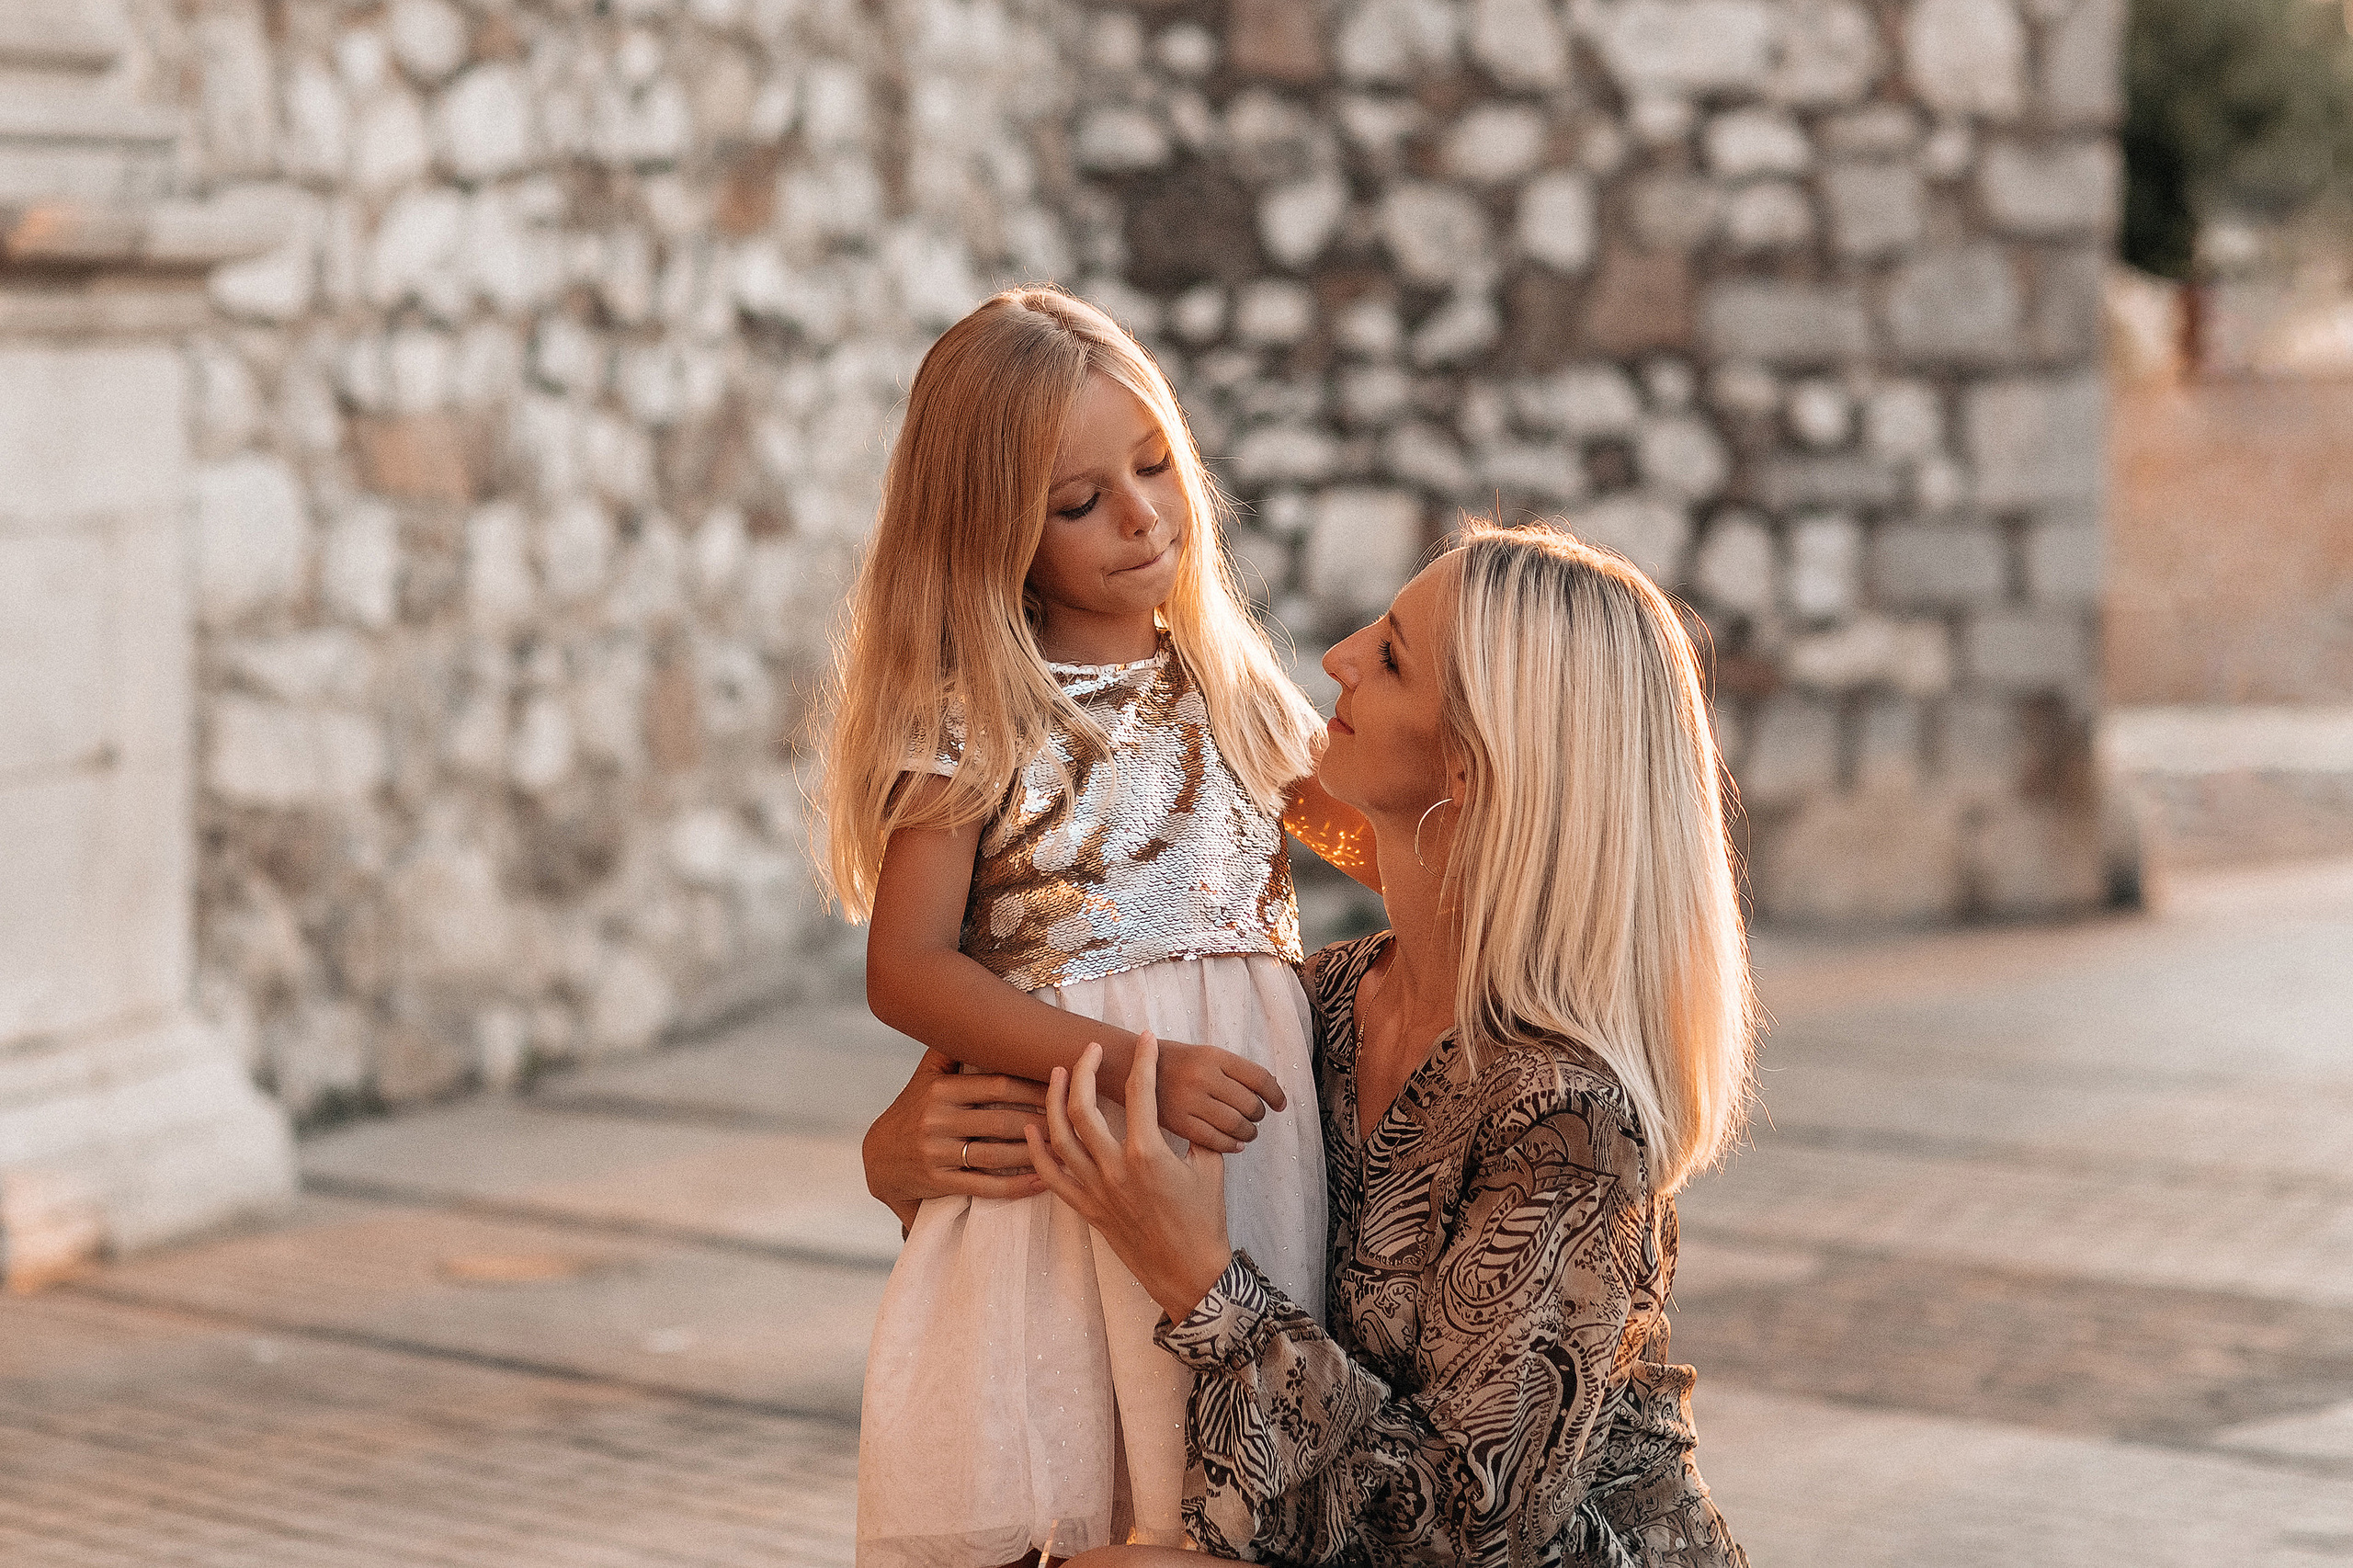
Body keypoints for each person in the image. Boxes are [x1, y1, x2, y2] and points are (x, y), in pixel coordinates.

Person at [868, 522, 1756, 1567]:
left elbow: (1464, 1530)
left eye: (1388, 654)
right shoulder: (1317, 1008)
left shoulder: (1568, 1114)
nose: (1335, 655)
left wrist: (1196, 1276)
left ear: (1466, 764)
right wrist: (902, 1162)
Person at [823, 286, 1379, 1568]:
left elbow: (1394, 843)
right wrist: (1145, 1071)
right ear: (994, 534)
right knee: (1084, 1461)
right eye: (1079, 502)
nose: (1139, 516)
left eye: (1154, 467)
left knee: (1219, 1474)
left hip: (1244, 1132)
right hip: (1084, 1138)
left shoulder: (1233, 687)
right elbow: (906, 968)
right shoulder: (981, 715)